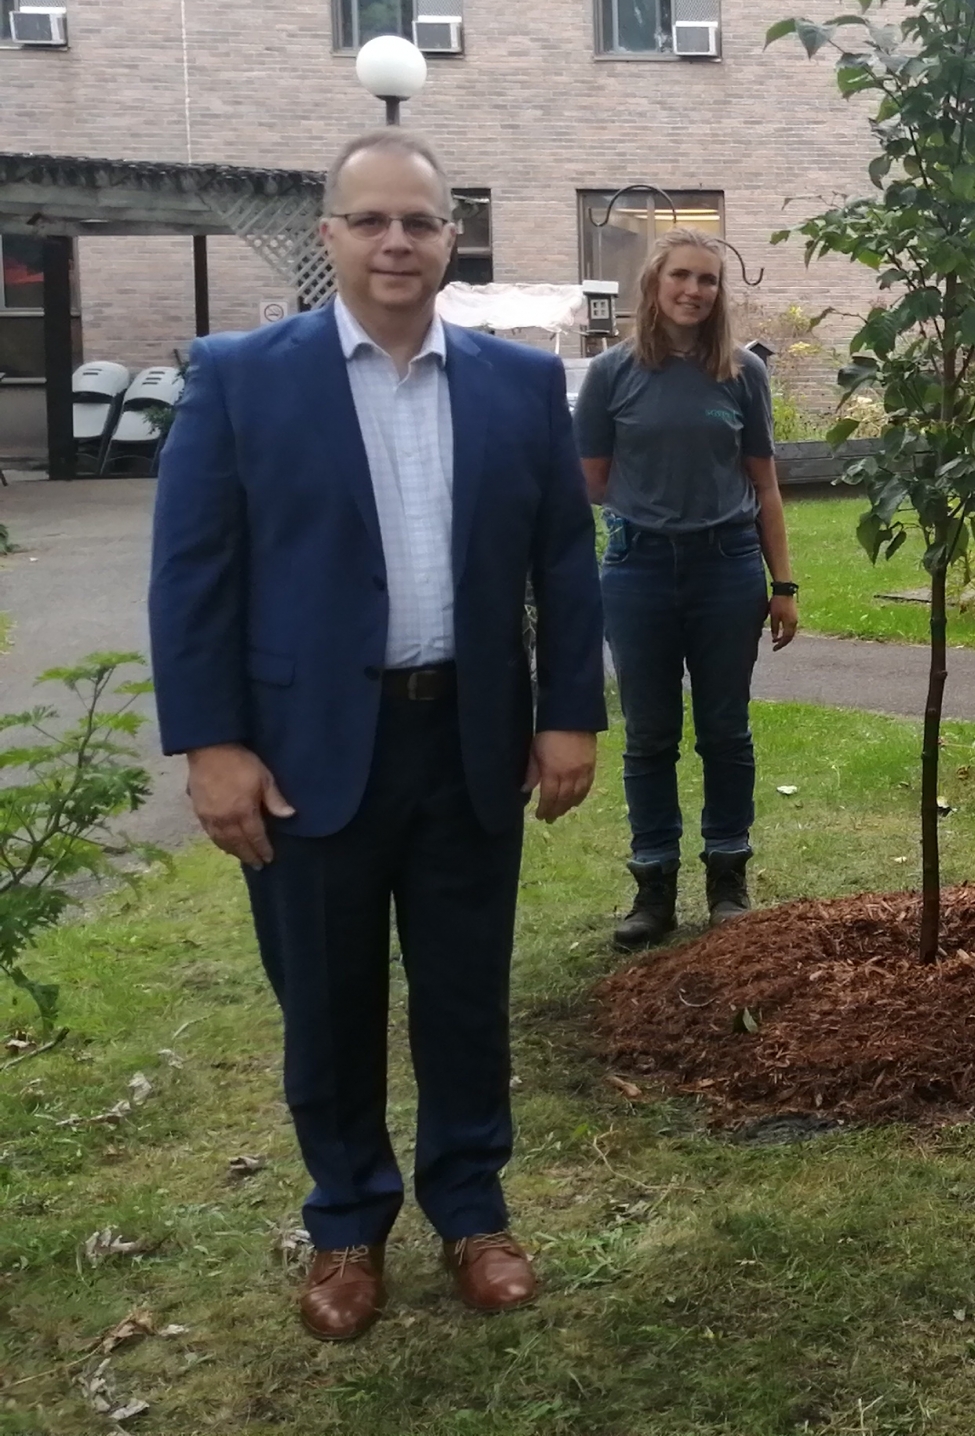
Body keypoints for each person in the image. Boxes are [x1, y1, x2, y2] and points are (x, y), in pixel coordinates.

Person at [148, 128, 605, 1343]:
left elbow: (564, 561)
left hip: (469, 742)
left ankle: (473, 1207)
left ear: (453, 238)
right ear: (330, 236)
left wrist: (568, 711)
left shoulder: (516, 388)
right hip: (303, 758)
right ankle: (346, 1222)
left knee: (465, 991)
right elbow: (193, 576)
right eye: (371, 221)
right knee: (327, 997)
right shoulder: (242, 378)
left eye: (420, 222)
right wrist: (211, 744)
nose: (396, 242)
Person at [577, 233, 799, 950]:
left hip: (727, 568)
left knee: (726, 733)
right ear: (654, 283)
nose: (694, 290)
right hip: (638, 570)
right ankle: (654, 885)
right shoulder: (612, 375)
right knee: (648, 736)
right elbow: (594, 481)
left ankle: (728, 879)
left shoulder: (741, 376)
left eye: (707, 279)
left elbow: (764, 484)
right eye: (681, 276)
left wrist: (783, 583)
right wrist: (657, 510)